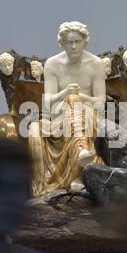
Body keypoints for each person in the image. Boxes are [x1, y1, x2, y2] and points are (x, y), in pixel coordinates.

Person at [30, 21, 106, 196]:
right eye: (69, 42)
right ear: (62, 43)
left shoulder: (95, 64)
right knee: (35, 129)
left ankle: (80, 160)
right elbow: (48, 102)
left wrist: (81, 97)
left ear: (84, 41)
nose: (73, 46)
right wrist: (64, 93)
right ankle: (80, 152)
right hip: (60, 118)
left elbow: (101, 102)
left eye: (77, 41)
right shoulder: (52, 64)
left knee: (77, 103)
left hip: (89, 115)